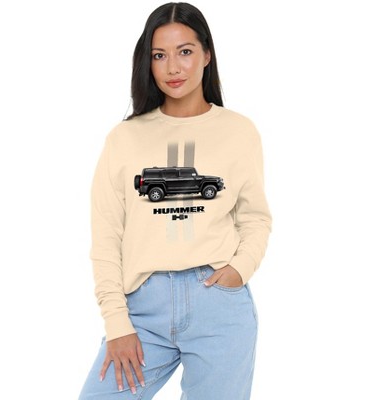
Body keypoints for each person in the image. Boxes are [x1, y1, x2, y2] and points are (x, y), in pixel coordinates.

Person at [79, 2, 272, 399]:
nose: (173, 67)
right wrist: (116, 323)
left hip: (218, 303)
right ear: (147, 62)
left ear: (207, 54)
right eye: (159, 55)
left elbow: (255, 217)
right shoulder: (124, 138)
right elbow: (106, 236)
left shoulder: (239, 131)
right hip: (142, 308)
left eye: (185, 51)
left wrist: (239, 270)